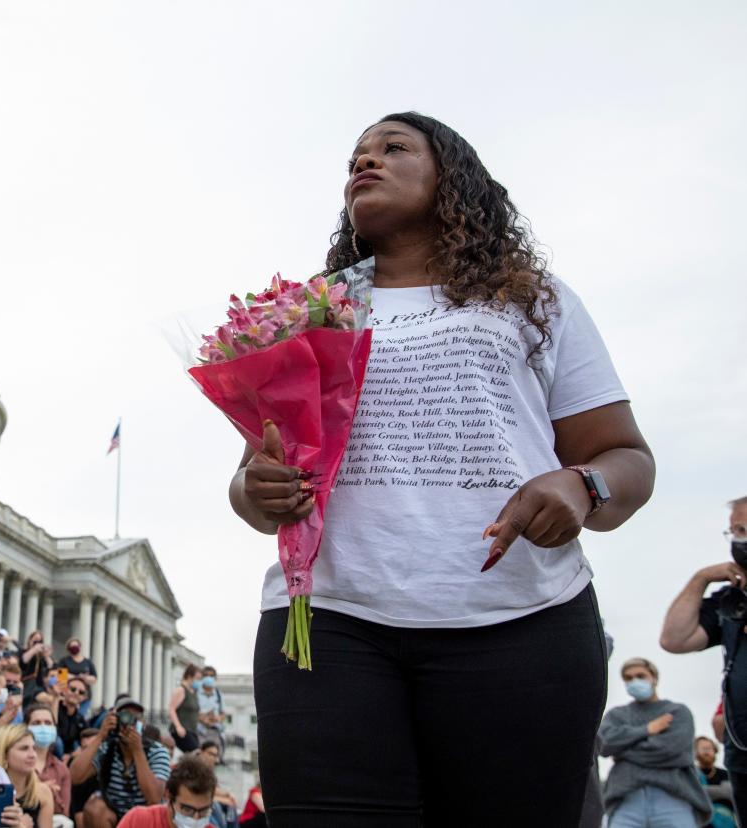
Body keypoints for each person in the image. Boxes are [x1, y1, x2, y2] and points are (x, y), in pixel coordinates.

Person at [230, 111, 655, 824]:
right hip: (327, 628)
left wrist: (580, 485)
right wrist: (257, 489)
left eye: (393, 148)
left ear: (452, 176)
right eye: (355, 157)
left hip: (522, 625)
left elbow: (626, 459)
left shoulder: (532, 298)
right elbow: (252, 485)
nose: (365, 162)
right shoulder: (309, 312)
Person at [661, 496, 747, 808]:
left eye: (744, 528)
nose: (739, 538)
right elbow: (674, 639)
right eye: (734, 531)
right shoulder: (732, 601)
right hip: (741, 753)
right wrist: (701, 579)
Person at [598, 657, 711, 825]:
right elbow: (604, 743)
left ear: (654, 678)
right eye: (628, 678)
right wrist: (647, 729)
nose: (634, 681)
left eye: (640, 676)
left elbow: (670, 751)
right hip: (626, 802)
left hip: (674, 799)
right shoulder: (617, 715)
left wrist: (622, 750)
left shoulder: (677, 712)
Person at [71, 698, 170, 828]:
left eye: (136, 718)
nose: (130, 722)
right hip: (115, 814)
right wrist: (101, 735)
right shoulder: (108, 748)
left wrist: (138, 751)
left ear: (143, 725)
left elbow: (154, 799)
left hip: (146, 816)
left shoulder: (157, 751)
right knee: (95, 808)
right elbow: (75, 777)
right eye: (125, 716)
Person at [117, 754, 217, 828]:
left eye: (204, 811)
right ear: (169, 797)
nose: (196, 819)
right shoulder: (138, 821)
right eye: (187, 810)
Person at [0, 723, 56, 828]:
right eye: (24, 748)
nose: (32, 755)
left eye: (34, 748)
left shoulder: (43, 792)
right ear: (4, 755)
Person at [26, 703, 72, 820]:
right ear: (25, 727)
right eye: (36, 723)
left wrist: (51, 796)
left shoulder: (61, 769)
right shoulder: (15, 763)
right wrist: (37, 791)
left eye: (48, 723)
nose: (43, 727)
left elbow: (63, 814)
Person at [695, 735, 736, 828]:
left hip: (727, 822)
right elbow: (693, 794)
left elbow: (732, 793)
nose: (707, 752)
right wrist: (721, 790)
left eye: (709, 748)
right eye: (703, 749)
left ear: (715, 751)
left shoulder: (726, 774)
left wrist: (705, 791)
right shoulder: (692, 775)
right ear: (695, 752)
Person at [194, 743, 237, 828]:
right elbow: (203, 791)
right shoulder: (194, 767)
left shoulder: (210, 772)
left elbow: (215, 789)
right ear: (201, 752)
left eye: (215, 755)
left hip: (209, 799)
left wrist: (228, 796)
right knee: (215, 805)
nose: (214, 759)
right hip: (198, 801)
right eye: (211, 754)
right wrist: (225, 796)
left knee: (231, 805)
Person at [167, 665, 202, 753]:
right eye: (197, 678)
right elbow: (171, 709)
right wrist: (178, 726)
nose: (198, 682)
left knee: (197, 754)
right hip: (182, 731)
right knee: (196, 753)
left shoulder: (193, 692)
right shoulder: (181, 690)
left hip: (192, 731)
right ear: (190, 676)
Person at [57, 676, 90, 755]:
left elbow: (88, 739)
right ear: (64, 690)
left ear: (84, 698)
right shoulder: (54, 708)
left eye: (81, 692)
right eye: (72, 689)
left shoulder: (80, 719)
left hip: (69, 757)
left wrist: (72, 755)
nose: (76, 693)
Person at [195, 668, 224, 755]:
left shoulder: (218, 694)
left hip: (214, 731)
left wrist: (216, 718)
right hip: (199, 731)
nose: (209, 678)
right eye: (206, 675)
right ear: (202, 677)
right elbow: (191, 712)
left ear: (215, 678)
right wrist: (202, 718)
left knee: (213, 757)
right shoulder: (195, 692)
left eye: (211, 676)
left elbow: (223, 714)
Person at [20, 630, 54, 702]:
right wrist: (34, 649)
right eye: (35, 641)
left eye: (40, 642)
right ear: (30, 640)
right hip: (27, 685)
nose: (37, 644)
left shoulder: (42, 656)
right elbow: (24, 660)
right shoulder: (24, 652)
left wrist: (46, 656)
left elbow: (51, 666)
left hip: (40, 685)